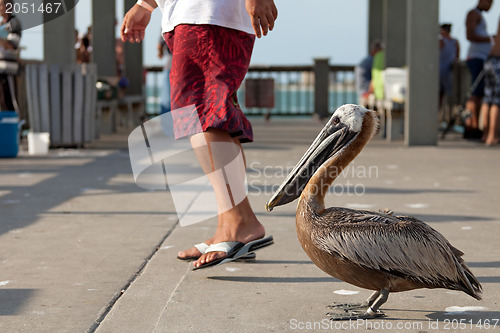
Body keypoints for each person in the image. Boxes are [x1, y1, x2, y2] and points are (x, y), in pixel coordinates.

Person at [121, 0, 278, 269]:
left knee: (197, 116)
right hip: (197, 16)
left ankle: (240, 221)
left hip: (206, 15)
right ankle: (227, 225)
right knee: (215, 117)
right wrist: (146, 5)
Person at [465, 0, 493, 139]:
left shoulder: (478, 15)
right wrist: (491, 39)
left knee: (476, 94)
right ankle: (472, 126)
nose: (491, 6)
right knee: (475, 95)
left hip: (479, 58)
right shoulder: (473, 14)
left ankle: (472, 126)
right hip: (476, 58)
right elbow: (469, 35)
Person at [480, 18, 500, 146]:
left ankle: (485, 134)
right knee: (497, 101)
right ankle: (492, 136)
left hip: (490, 59)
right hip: (498, 61)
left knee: (487, 99)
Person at [0, 0, 21, 112]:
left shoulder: (14, 23)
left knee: (11, 102)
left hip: (8, 70)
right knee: (2, 103)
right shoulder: (1, 24)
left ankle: (14, 126)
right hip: (1, 69)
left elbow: (12, 45)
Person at [439, 24, 460, 109]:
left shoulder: (453, 41)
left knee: (446, 93)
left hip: (447, 70)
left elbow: (457, 56)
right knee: (441, 92)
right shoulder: (442, 41)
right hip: (443, 69)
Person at [355, 39, 383, 103]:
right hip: (367, 92)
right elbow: (375, 79)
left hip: (361, 91)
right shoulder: (372, 61)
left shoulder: (367, 60)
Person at [157, 34, 171, 114]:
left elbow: (160, 45)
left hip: (170, 63)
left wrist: (160, 53)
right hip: (190, 61)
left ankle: (166, 124)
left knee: (166, 99)